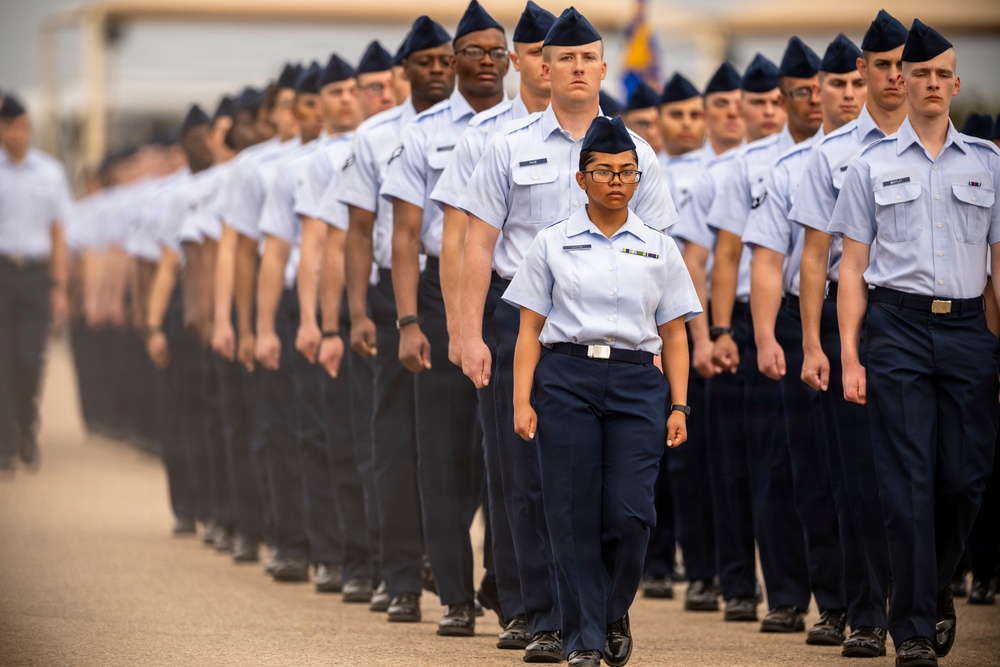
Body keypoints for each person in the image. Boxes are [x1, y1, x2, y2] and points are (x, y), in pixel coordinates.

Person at [457, 7, 677, 661]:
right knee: (525, 479)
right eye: (565, 59)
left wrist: (662, 346)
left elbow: (663, 251)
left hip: (615, 335)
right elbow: (477, 243)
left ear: (604, 69)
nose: (578, 69)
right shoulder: (508, 148)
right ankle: (543, 614)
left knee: (615, 493)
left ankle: (605, 610)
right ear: (541, 68)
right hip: (525, 325)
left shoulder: (639, 154)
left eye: (589, 59)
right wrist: (469, 332)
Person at [830, 19, 1000, 666]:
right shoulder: (869, 166)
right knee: (906, 483)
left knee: (966, 479)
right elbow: (850, 268)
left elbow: (998, 265)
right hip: (895, 328)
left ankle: (930, 585)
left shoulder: (989, 164)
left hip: (966, 331)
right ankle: (914, 630)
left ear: (955, 84)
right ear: (902, 79)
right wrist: (850, 353)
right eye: (917, 73)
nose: (927, 83)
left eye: (939, 75)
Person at [504, 115, 700, 667]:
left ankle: (612, 609)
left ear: (638, 179)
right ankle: (585, 638)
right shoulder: (551, 243)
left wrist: (680, 404)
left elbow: (675, 334)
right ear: (581, 178)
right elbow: (527, 332)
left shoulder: (659, 246)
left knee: (631, 514)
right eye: (604, 171)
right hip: (566, 380)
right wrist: (522, 400)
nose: (616, 181)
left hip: (639, 383)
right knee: (570, 513)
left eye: (626, 172)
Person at [428, 0, 555, 648]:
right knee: (506, 465)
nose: (543, 63)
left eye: (551, 52)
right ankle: (514, 596)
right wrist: (461, 327)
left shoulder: (598, 132)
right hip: (507, 310)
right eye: (532, 52)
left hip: (577, 316)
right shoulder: (486, 136)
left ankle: (568, 598)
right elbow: (458, 242)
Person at [382, 0, 509, 636]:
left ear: (512, 62)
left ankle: (504, 580)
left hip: (515, 295)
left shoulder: (529, 129)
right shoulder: (424, 133)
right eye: (472, 53)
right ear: (452, 62)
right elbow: (406, 237)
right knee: (442, 450)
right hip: (439, 292)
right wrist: (409, 321)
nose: (485, 63)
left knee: (509, 449)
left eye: (495, 52)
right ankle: (456, 594)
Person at [789, 9, 910, 656]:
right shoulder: (828, 154)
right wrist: (814, 343)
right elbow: (815, 258)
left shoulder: (956, 150)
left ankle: (928, 590)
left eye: (905, 67)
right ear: (861, 73)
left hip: (935, 317)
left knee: (943, 476)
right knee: (857, 474)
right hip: (855, 315)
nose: (895, 78)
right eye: (883, 66)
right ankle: (864, 609)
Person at [745, 32, 870, 648]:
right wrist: (768, 335)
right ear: (818, 92)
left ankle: (904, 591)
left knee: (898, 470)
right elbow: (769, 260)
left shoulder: (898, 151)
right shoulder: (791, 168)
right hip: (809, 320)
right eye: (838, 84)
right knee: (814, 471)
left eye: (857, 81)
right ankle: (829, 601)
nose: (848, 94)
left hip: (888, 316)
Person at [337, 15, 455, 621]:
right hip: (393, 298)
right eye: (425, 63)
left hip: (460, 290)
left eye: (445, 61)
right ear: (402, 72)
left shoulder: (481, 130)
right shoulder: (374, 136)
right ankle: (401, 573)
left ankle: (445, 551)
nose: (437, 71)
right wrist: (358, 311)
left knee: (463, 442)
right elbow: (359, 234)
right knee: (395, 438)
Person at [0, 94, 73, 473]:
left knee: (31, 358)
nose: (16, 134)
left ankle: (26, 423)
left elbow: (59, 232)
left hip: (34, 275)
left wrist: (59, 285)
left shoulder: (50, 173)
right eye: (9, 126)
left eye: (22, 126)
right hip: (1, 274)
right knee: (2, 359)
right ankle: (6, 442)